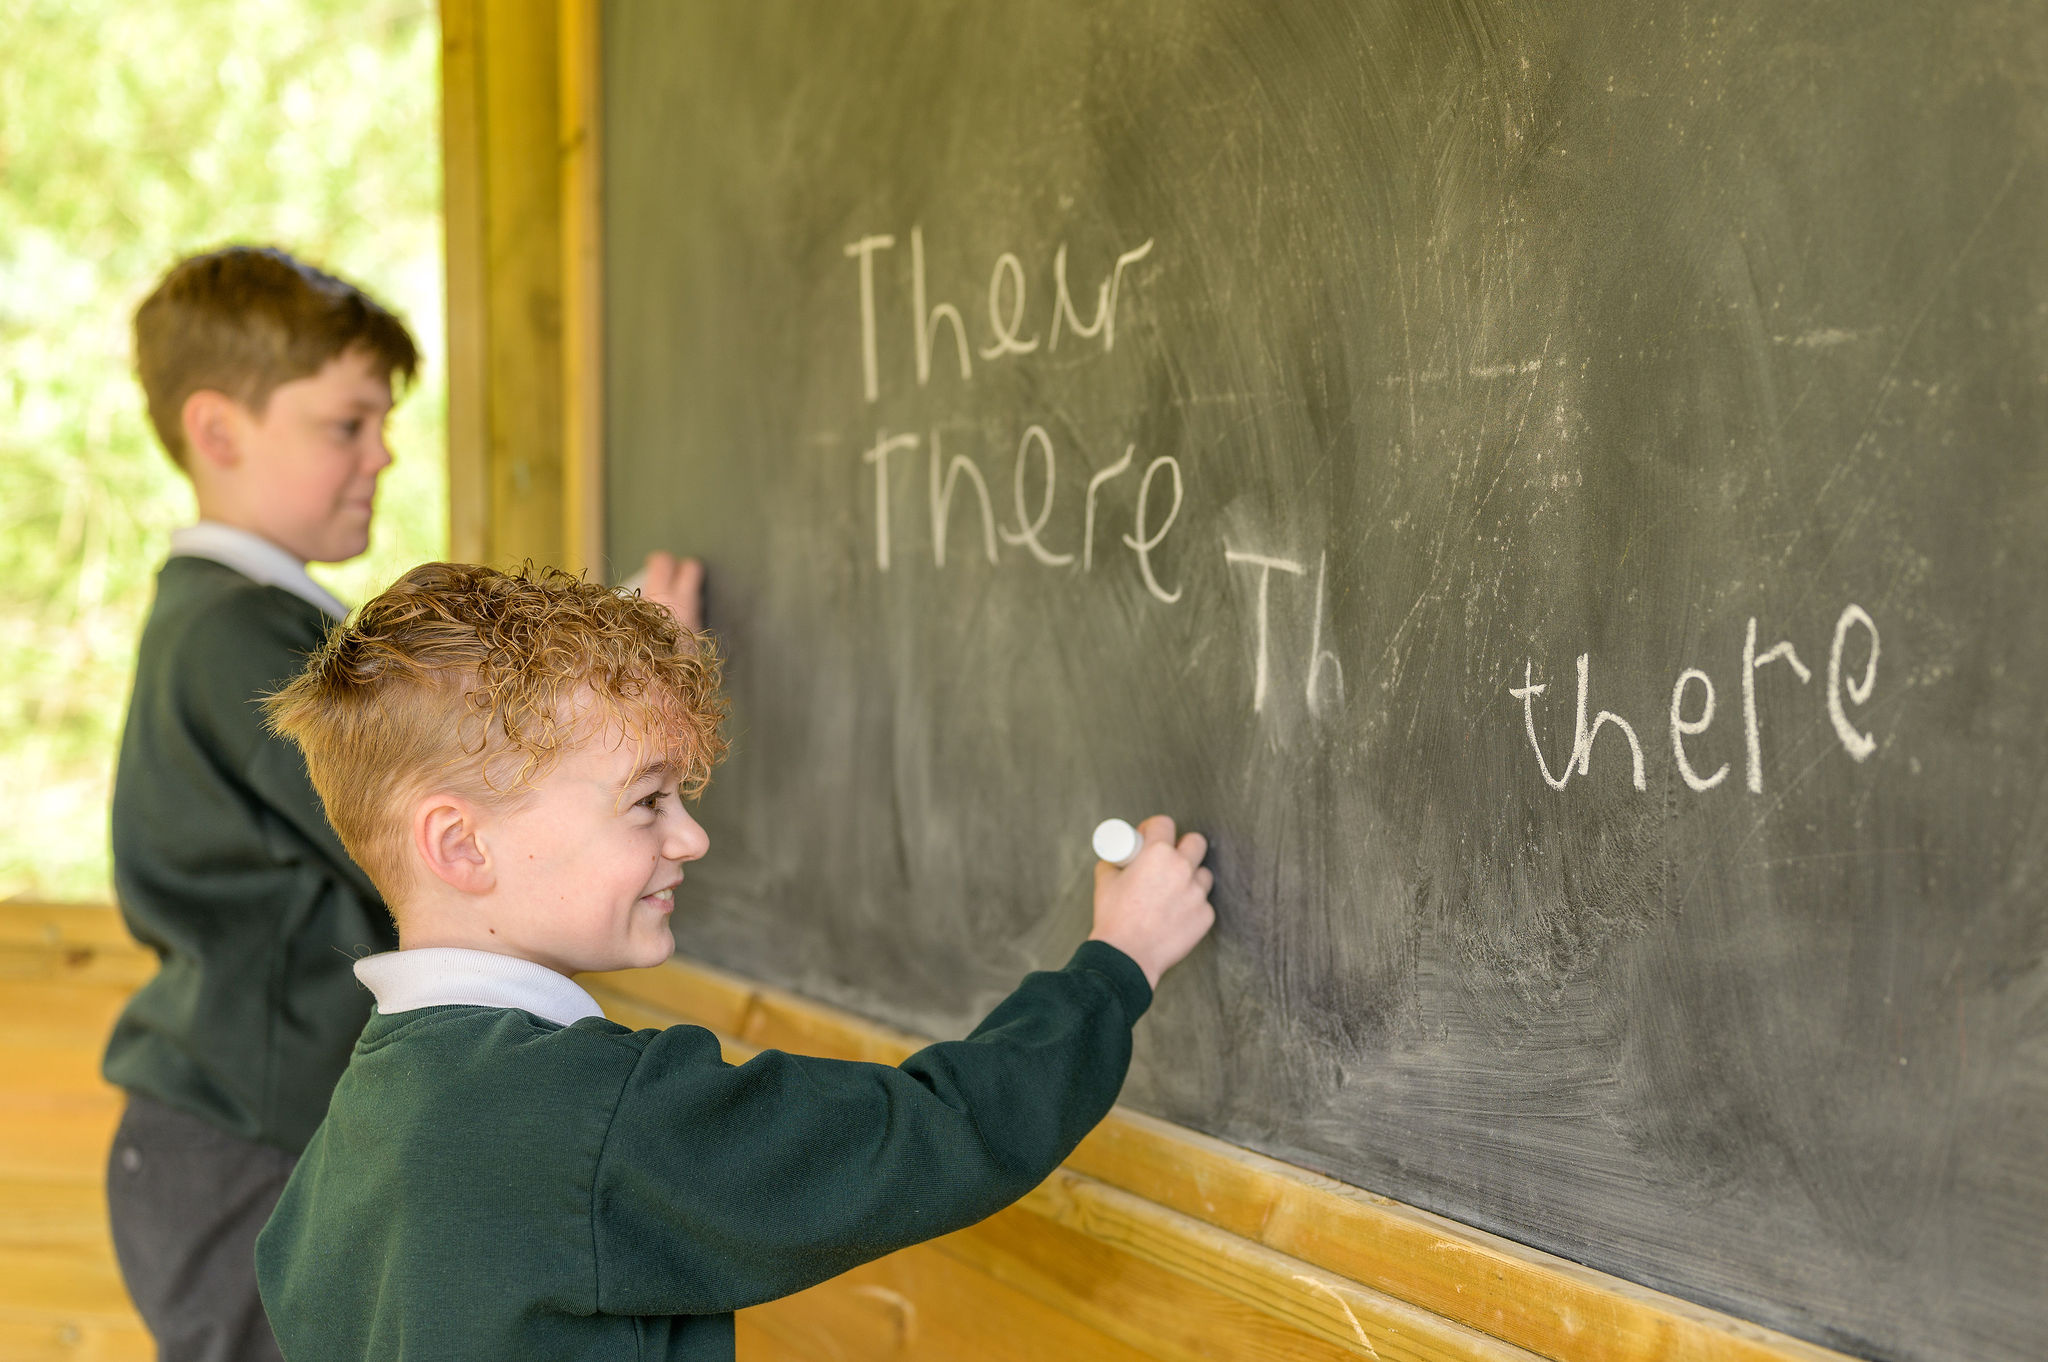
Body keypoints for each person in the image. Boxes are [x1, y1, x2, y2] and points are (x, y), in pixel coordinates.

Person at [252, 561, 1216, 1361]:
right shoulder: (590, 1116)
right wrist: (1115, 964)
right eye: (645, 802)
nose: (691, 838)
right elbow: (934, 1136)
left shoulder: (353, 1137)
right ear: (461, 846)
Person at [102, 246, 701, 1361]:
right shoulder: (236, 640)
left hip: (237, 1140)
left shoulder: (247, 620)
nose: (381, 453)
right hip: (242, 1150)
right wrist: (611, 704)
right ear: (219, 432)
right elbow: (440, 804)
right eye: (346, 425)